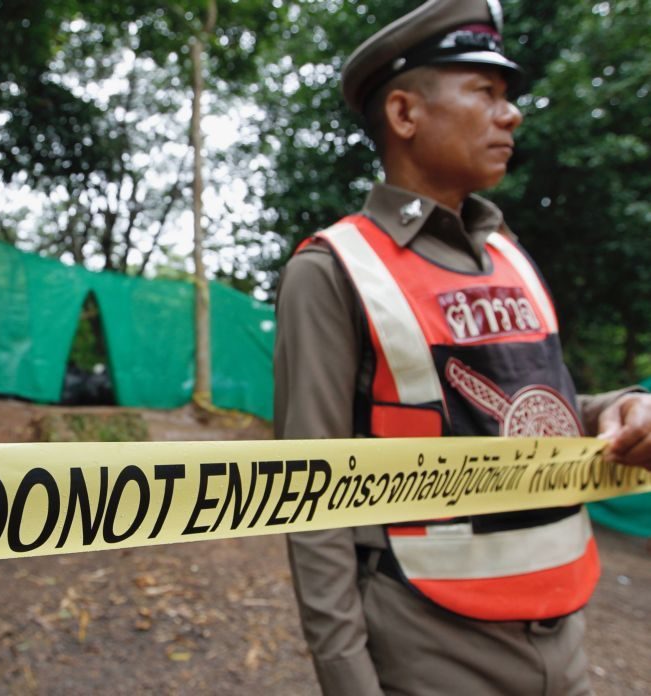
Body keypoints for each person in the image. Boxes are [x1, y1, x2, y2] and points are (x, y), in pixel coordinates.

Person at [273, 0, 651, 694]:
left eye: (507, 98)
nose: (510, 115)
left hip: (563, 638)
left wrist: (620, 409)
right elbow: (311, 498)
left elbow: (541, 406)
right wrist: (349, 681)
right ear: (404, 114)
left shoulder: (509, 255)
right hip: (429, 652)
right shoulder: (332, 270)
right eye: (484, 92)